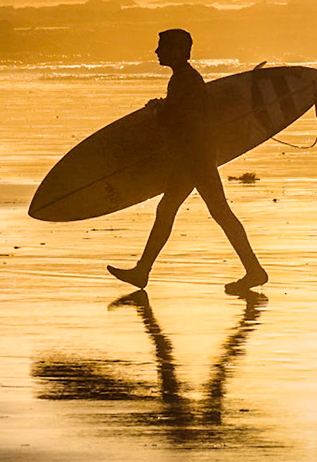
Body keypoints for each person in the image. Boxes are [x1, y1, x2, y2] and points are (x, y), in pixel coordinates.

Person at [107, 28, 269, 296]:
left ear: (178, 51)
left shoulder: (185, 80)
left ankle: (254, 270)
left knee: (214, 213)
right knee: (175, 211)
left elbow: (181, 121)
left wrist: (159, 111)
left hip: (196, 160)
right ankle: (142, 271)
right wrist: (165, 107)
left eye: (162, 47)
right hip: (195, 158)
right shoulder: (184, 80)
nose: (157, 51)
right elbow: (183, 113)